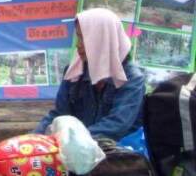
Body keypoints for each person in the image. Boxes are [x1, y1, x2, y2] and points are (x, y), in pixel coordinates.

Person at [34, 8, 145, 140]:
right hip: (78, 148)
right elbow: (59, 114)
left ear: (103, 40)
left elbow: (116, 126)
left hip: (118, 153)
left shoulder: (132, 79)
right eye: (78, 37)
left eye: (83, 39)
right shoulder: (75, 73)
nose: (77, 45)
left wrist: (70, 140)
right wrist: (34, 138)